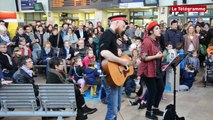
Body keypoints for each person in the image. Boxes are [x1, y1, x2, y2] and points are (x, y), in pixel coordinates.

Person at [99, 15, 129, 120]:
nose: (123, 29)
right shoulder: (107, 34)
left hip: (115, 75)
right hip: (109, 76)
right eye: (123, 26)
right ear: (117, 23)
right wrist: (121, 60)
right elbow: (103, 52)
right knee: (112, 109)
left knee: (117, 108)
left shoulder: (113, 36)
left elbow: (110, 56)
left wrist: (118, 56)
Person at [137, 21, 164, 119]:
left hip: (156, 69)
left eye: (159, 28)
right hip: (148, 71)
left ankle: (155, 108)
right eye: (156, 28)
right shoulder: (147, 41)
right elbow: (144, 57)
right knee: (153, 91)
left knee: (160, 89)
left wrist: (160, 55)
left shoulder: (157, 40)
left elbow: (156, 54)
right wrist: (156, 56)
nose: (159, 30)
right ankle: (148, 112)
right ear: (151, 31)